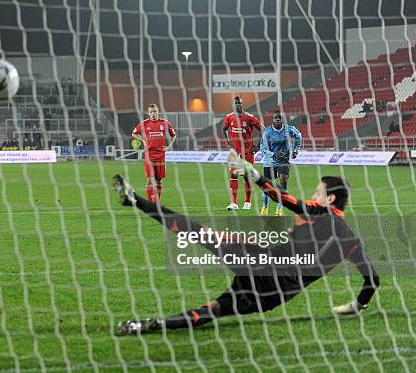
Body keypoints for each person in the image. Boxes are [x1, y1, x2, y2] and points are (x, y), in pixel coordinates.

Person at [112, 149, 379, 335]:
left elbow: (284, 199)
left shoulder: (320, 212)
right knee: (215, 310)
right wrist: (357, 305)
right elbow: (373, 279)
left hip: (262, 265)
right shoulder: (350, 241)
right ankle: (152, 325)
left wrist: (254, 174)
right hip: (276, 295)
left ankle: (135, 200)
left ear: (329, 200)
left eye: (317, 192)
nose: (313, 196)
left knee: (197, 232)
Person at [222, 96, 264, 210]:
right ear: (233, 105)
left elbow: (262, 129)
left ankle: (247, 202)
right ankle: (234, 203)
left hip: (247, 152)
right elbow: (223, 129)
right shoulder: (229, 117)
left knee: (246, 177)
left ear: (242, 104)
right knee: (233, 175)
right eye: (235, 103)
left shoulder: (249, 117)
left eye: (239, 103)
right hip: (235, 153)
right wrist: (227, 142)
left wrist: (258, 145)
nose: (237, 105)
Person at [131, 103, 177, 203]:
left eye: (155, 112)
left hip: (160, 155)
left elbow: (174, 135)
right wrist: (143, 140)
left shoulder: (165, 123)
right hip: (149, 155)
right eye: (151, 112)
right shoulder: (144, 123)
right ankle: (150, 203)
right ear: (148, 113)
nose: (153, 114)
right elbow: (134, 133)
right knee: (149, 179)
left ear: (158, 112)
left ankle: (156, 202)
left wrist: (169, 146)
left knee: (159, 180)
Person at [259, 111, 302, 216]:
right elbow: (263, 149)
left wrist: (295, 150)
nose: (278, 119)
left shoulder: (289, 129)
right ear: (273, 119)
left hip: (284, 161)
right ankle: (265, 207)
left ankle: (279, 208)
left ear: (283, 119)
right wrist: (274, 154)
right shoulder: (267, 132)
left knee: (283, 180)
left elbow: (299, 136)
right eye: (276, 118)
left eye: (280, 117)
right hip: (270, 162)